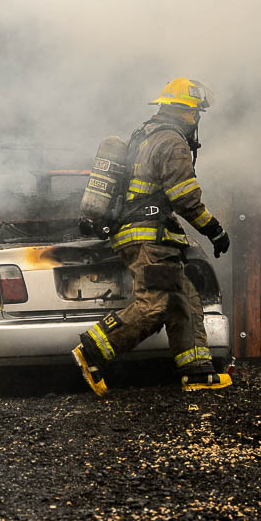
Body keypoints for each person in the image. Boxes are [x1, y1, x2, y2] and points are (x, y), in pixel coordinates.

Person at [72, 78, 232, 396]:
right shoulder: (172, 142)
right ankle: (92, 350)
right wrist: (214, 230)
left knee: (183, 298)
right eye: (194, 113)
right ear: (183, 113)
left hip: (140, 234)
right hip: (150, 239)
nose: (196, 120)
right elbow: (185, 197)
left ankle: (197, 371)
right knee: (154, 303)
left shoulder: (143, 138)